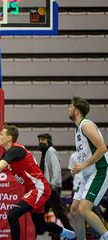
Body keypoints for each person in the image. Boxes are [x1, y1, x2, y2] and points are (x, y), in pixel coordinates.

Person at [0, 125, 75, 240]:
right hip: (32, 189)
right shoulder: (8, 153)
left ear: (9, 138)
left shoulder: (16, 150)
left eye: (1, 134)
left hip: (38, 188)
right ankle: (69, 234)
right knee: (40, 226)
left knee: (12, 214)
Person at [68, 96, 108, 240]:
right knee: (74, 211)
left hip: (100, 170)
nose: (68, 109)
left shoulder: (86, 125)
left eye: (70, 106)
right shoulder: (78, 129)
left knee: (84, 209)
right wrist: (78, 168)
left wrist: (83, 165)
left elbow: (102, 148)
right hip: (87, 174)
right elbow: (86, 154)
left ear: (77, 111)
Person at [37, 133, 73, 235]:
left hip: (51, 188)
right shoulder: (45, 152)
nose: (40, 142)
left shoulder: (51, 151)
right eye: (39, 139)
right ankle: (42, 230)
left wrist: (52, 186)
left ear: (48, 140)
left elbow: (56, 170)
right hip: (47, 188)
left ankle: (72, 233)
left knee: (59, 213)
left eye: (43, 139)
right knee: (43, 212)